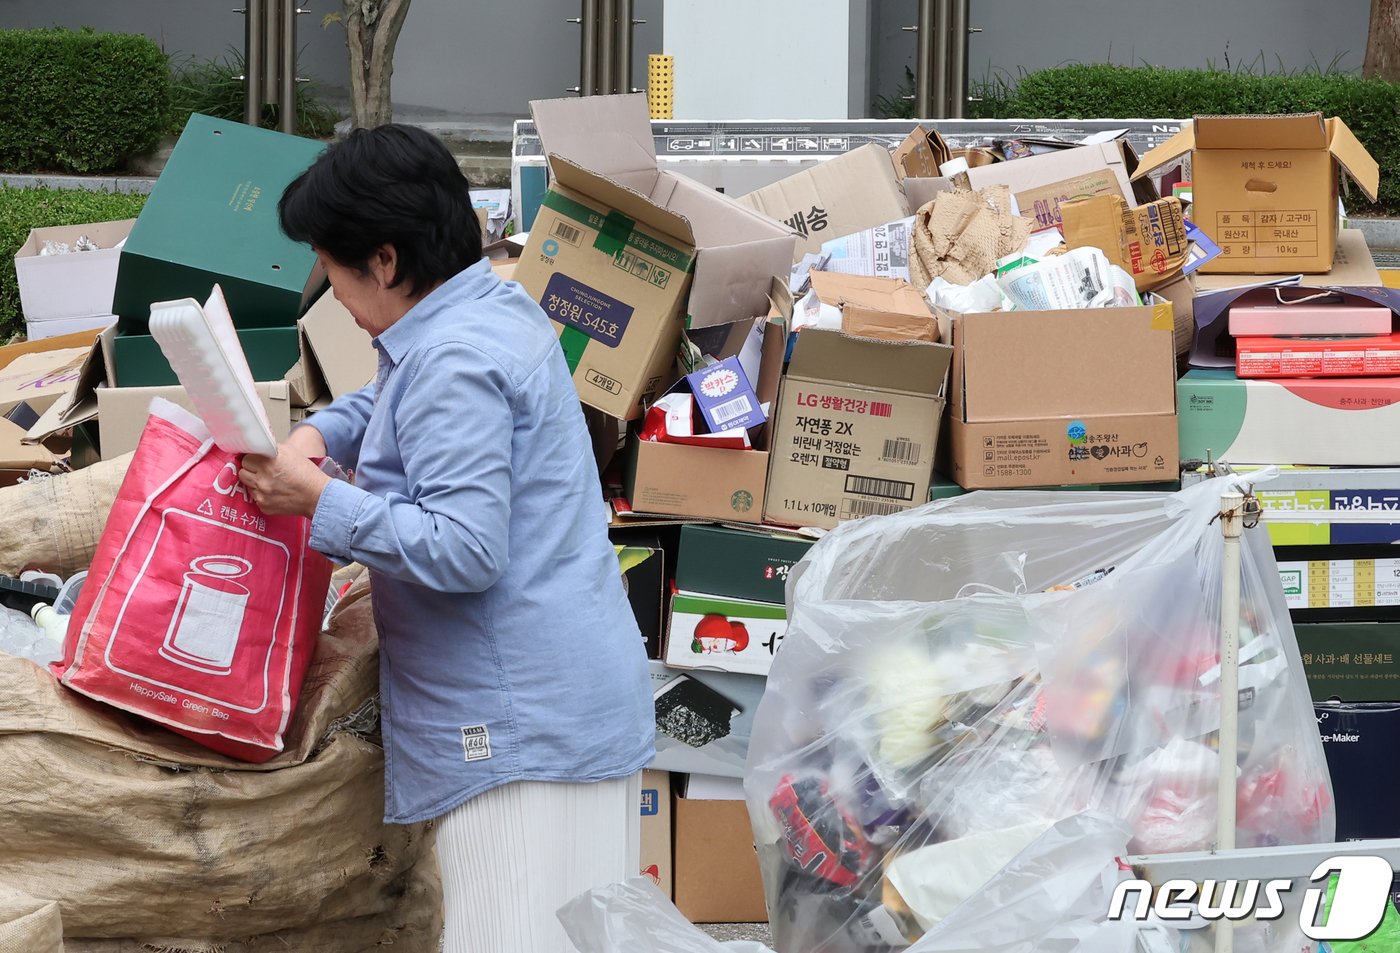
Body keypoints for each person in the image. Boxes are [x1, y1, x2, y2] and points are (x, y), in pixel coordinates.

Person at [235, 124, 654, 953]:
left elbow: (465, 549)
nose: (333, 297)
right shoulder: (484, 302)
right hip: (568, 700)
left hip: (519, 731)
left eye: (333, 268)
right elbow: (394, 391)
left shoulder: (455, 356)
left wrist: (320, 498)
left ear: (384, 261)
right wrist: (327, 433)